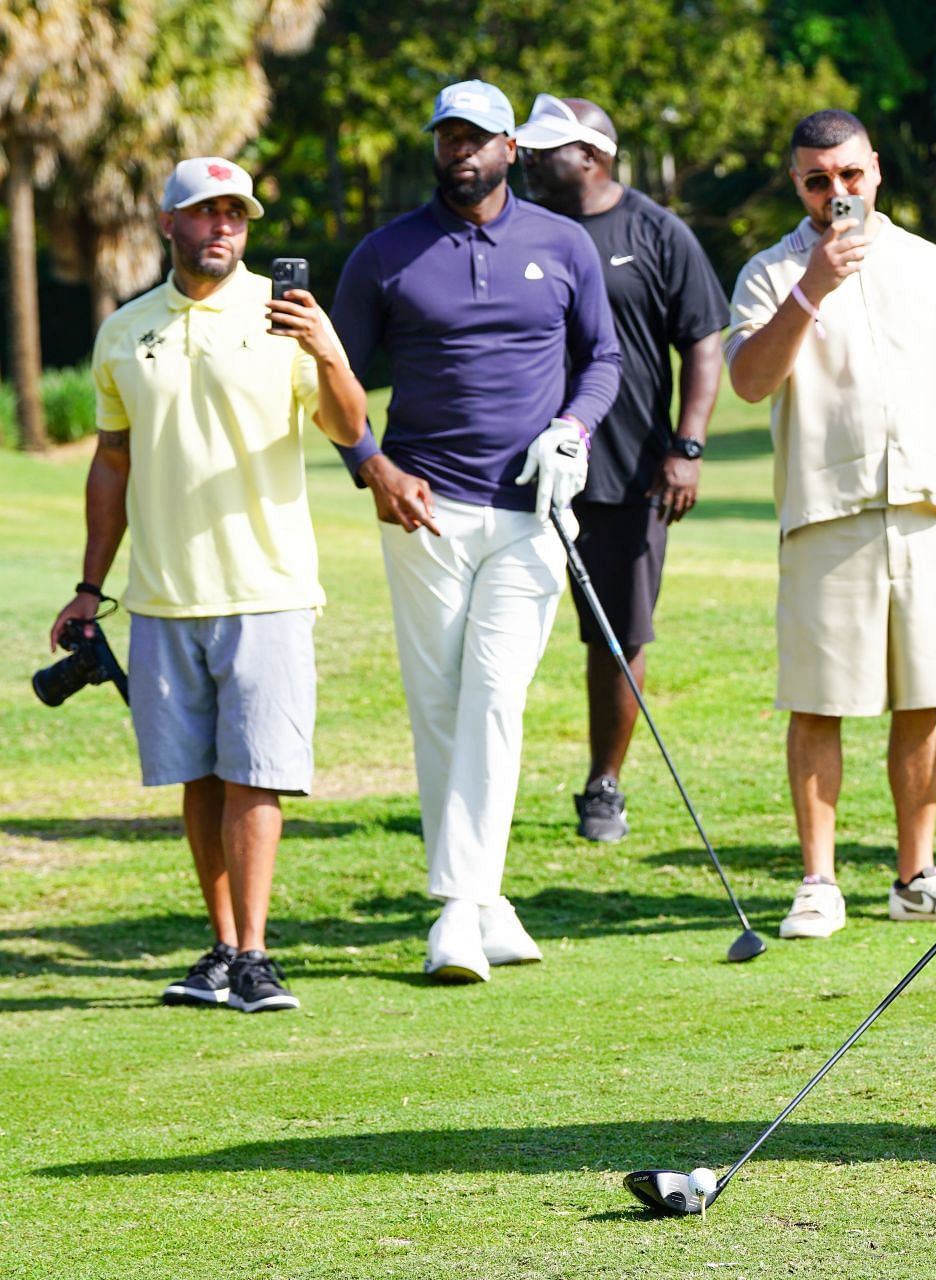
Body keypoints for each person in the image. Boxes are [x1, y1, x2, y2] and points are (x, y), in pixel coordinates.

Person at [50, 157, 368, 1012]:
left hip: (266, 587)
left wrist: (327, 349)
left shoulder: (283, 318)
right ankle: (221, 948)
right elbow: (111, 462)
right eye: (204, 213)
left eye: (236, 214)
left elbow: (348, 427)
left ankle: (257, 956)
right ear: (168, 225)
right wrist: (91, 584)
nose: (222, 227)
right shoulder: (124, 330)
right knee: (197, 776)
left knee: (255, 774)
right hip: (161, 595)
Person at [331, 81, 621, 982]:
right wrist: (370, 466)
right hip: (425, 508)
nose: (461, 151)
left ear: (512, 149)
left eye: (479, 137)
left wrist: (573, 430)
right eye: (448, 137)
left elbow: (602, 357)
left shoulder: (562, 243)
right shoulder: (386, 254)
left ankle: (459, 906)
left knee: (494, 694)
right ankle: (486, 899)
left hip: (531, 511)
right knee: (441, 700)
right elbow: (331, 377)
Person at [726, 109, 936, 940]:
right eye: (818, 180)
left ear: (875, 169)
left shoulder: (928, 265)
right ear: (796, 184)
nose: (836, 193)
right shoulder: (771, 274)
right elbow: (748, 381)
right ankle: (818, 882)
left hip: (926, 513)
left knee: (923, 698)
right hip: (824, 515)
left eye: (849, 175)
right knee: (819, 702)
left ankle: (915, 875)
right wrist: (812, 287)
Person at [516, 94, 730, 842]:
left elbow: (703, 339)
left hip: (628, 467)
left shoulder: (655, 232)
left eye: (546, 151)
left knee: (616, 636)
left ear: (592, 156)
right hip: (515, 468)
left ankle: (603, 784)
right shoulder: (515, 225)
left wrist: (688, 446)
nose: (530, 161)